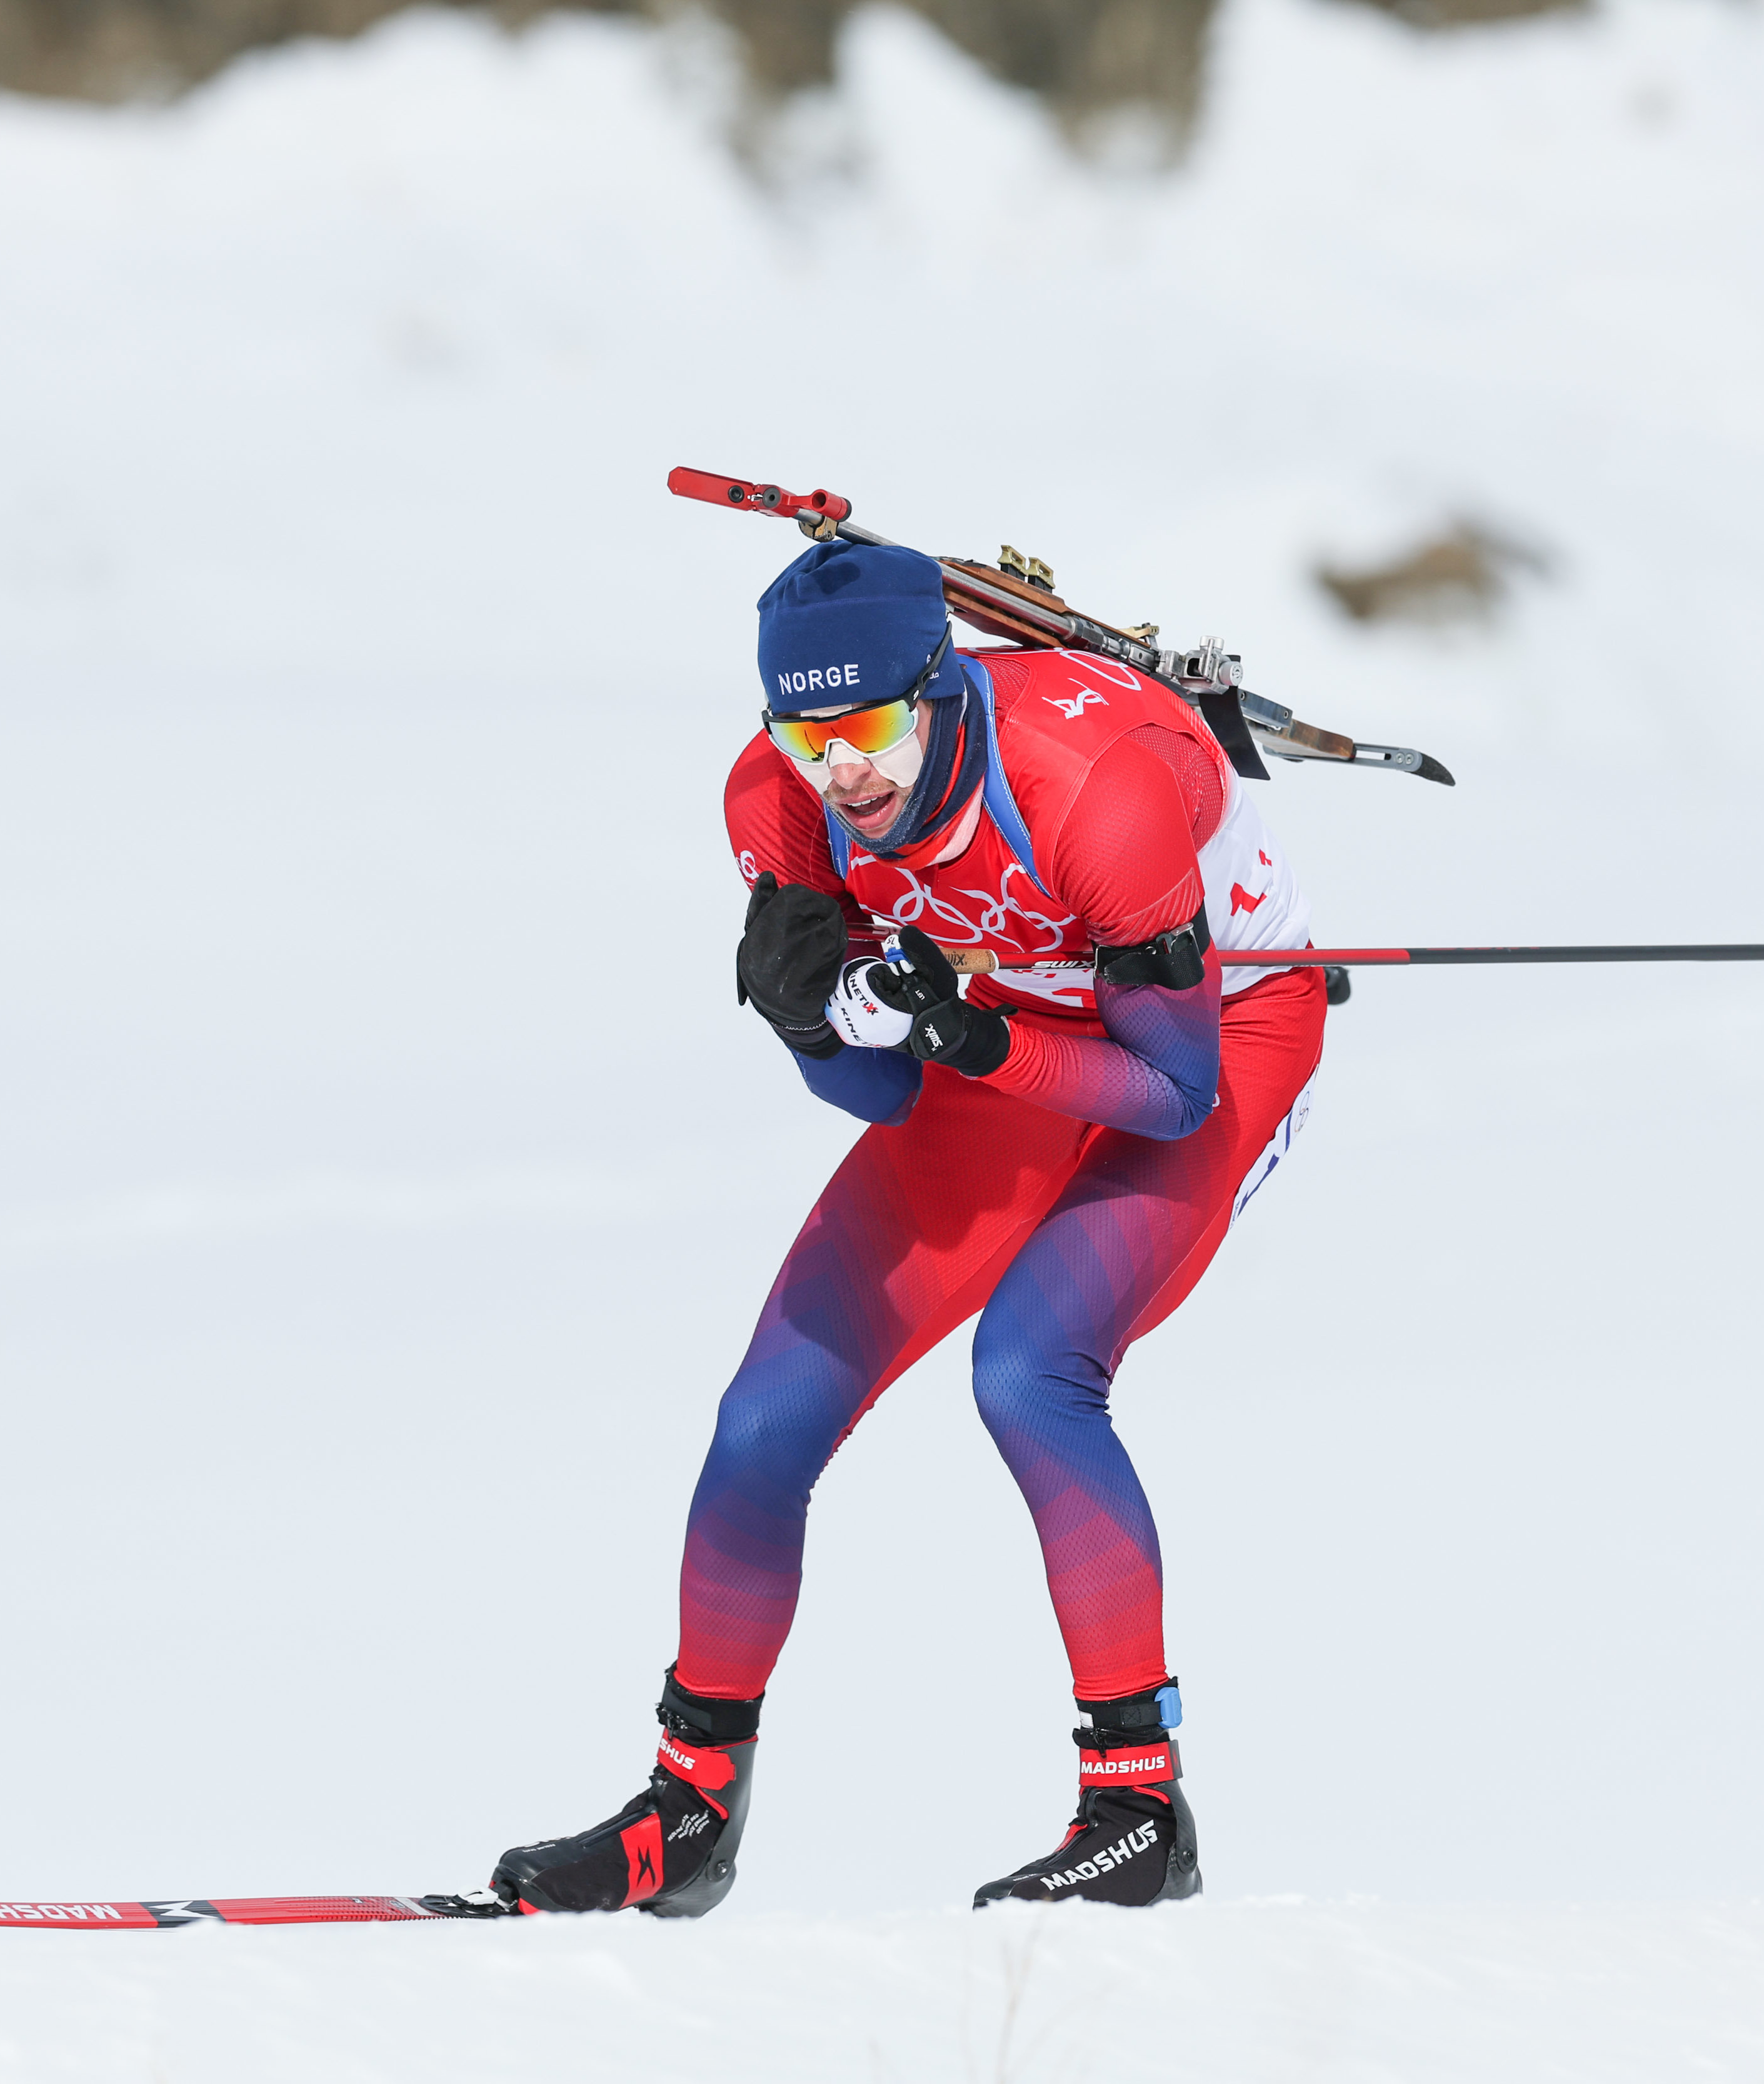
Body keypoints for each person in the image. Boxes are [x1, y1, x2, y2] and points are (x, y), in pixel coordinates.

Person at [489, 538, 1325, 1915]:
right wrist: (809, 1014)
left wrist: (977, 1037)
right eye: (808, 734)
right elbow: (877, 1090)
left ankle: (1138, 1809)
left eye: (870, 727)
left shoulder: (1092, 794)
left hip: (1213, 1031)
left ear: (938, 691)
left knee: (1033, 1372)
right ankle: (689, 1808)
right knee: (764, 1418)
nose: (845, 771)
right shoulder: (781, 799)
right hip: (1000, 1027)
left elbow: (1172, 1097)